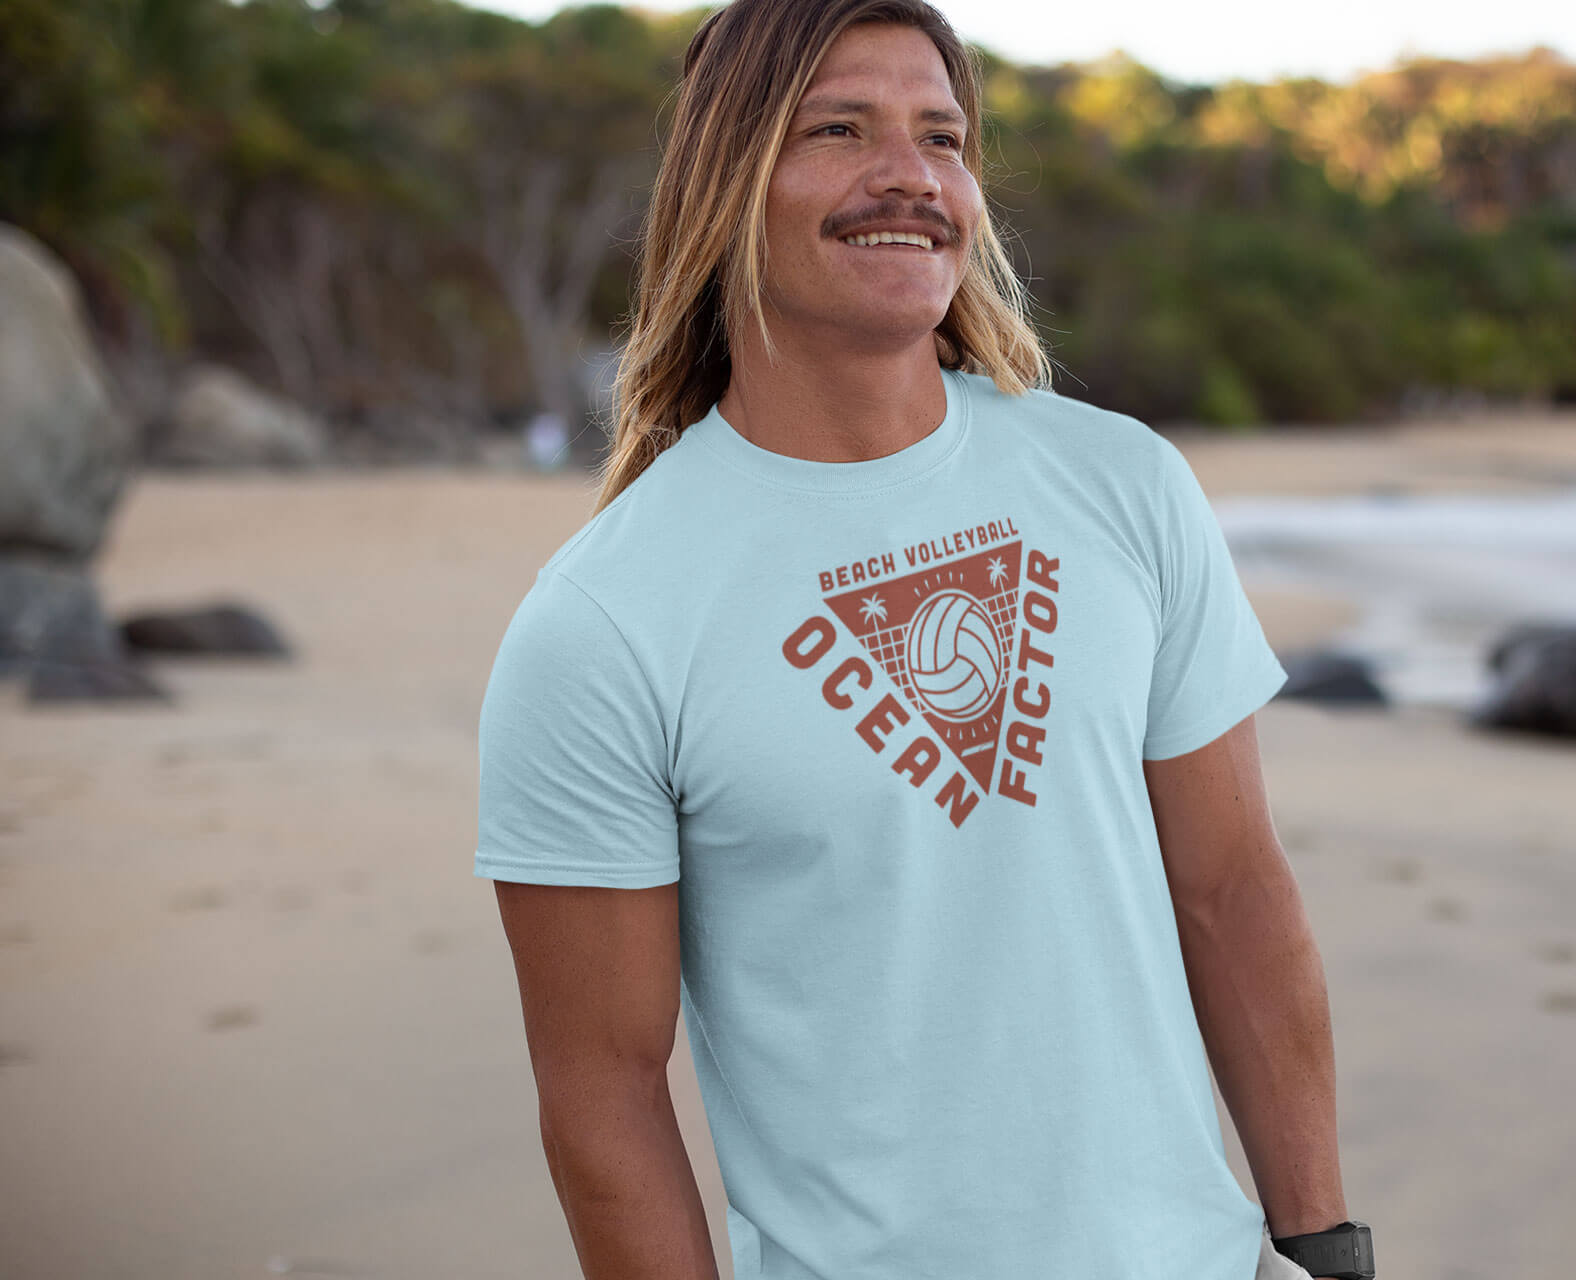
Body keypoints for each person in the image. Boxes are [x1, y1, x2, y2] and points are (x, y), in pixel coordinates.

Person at [473, 1, 1365, 1277]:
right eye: (839, 128)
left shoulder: (1123, 484)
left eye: (941, 138)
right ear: (731, 179)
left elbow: (1232, 890)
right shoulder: (606, 618)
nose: (912, 174)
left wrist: (1327, 1243)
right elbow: (603, 1087)